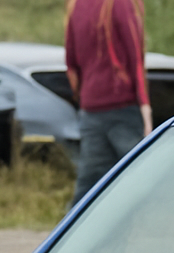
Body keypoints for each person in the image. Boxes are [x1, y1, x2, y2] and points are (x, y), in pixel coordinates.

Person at [66, 0, 152, 205]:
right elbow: (135, 58)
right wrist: (145, 108)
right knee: (139, 181)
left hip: (90, 109)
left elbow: (71, 62)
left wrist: (83, 95)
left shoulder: (75, 5)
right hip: (123, 108)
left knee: (88, 190)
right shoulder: (122, 3)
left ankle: (72, 235)